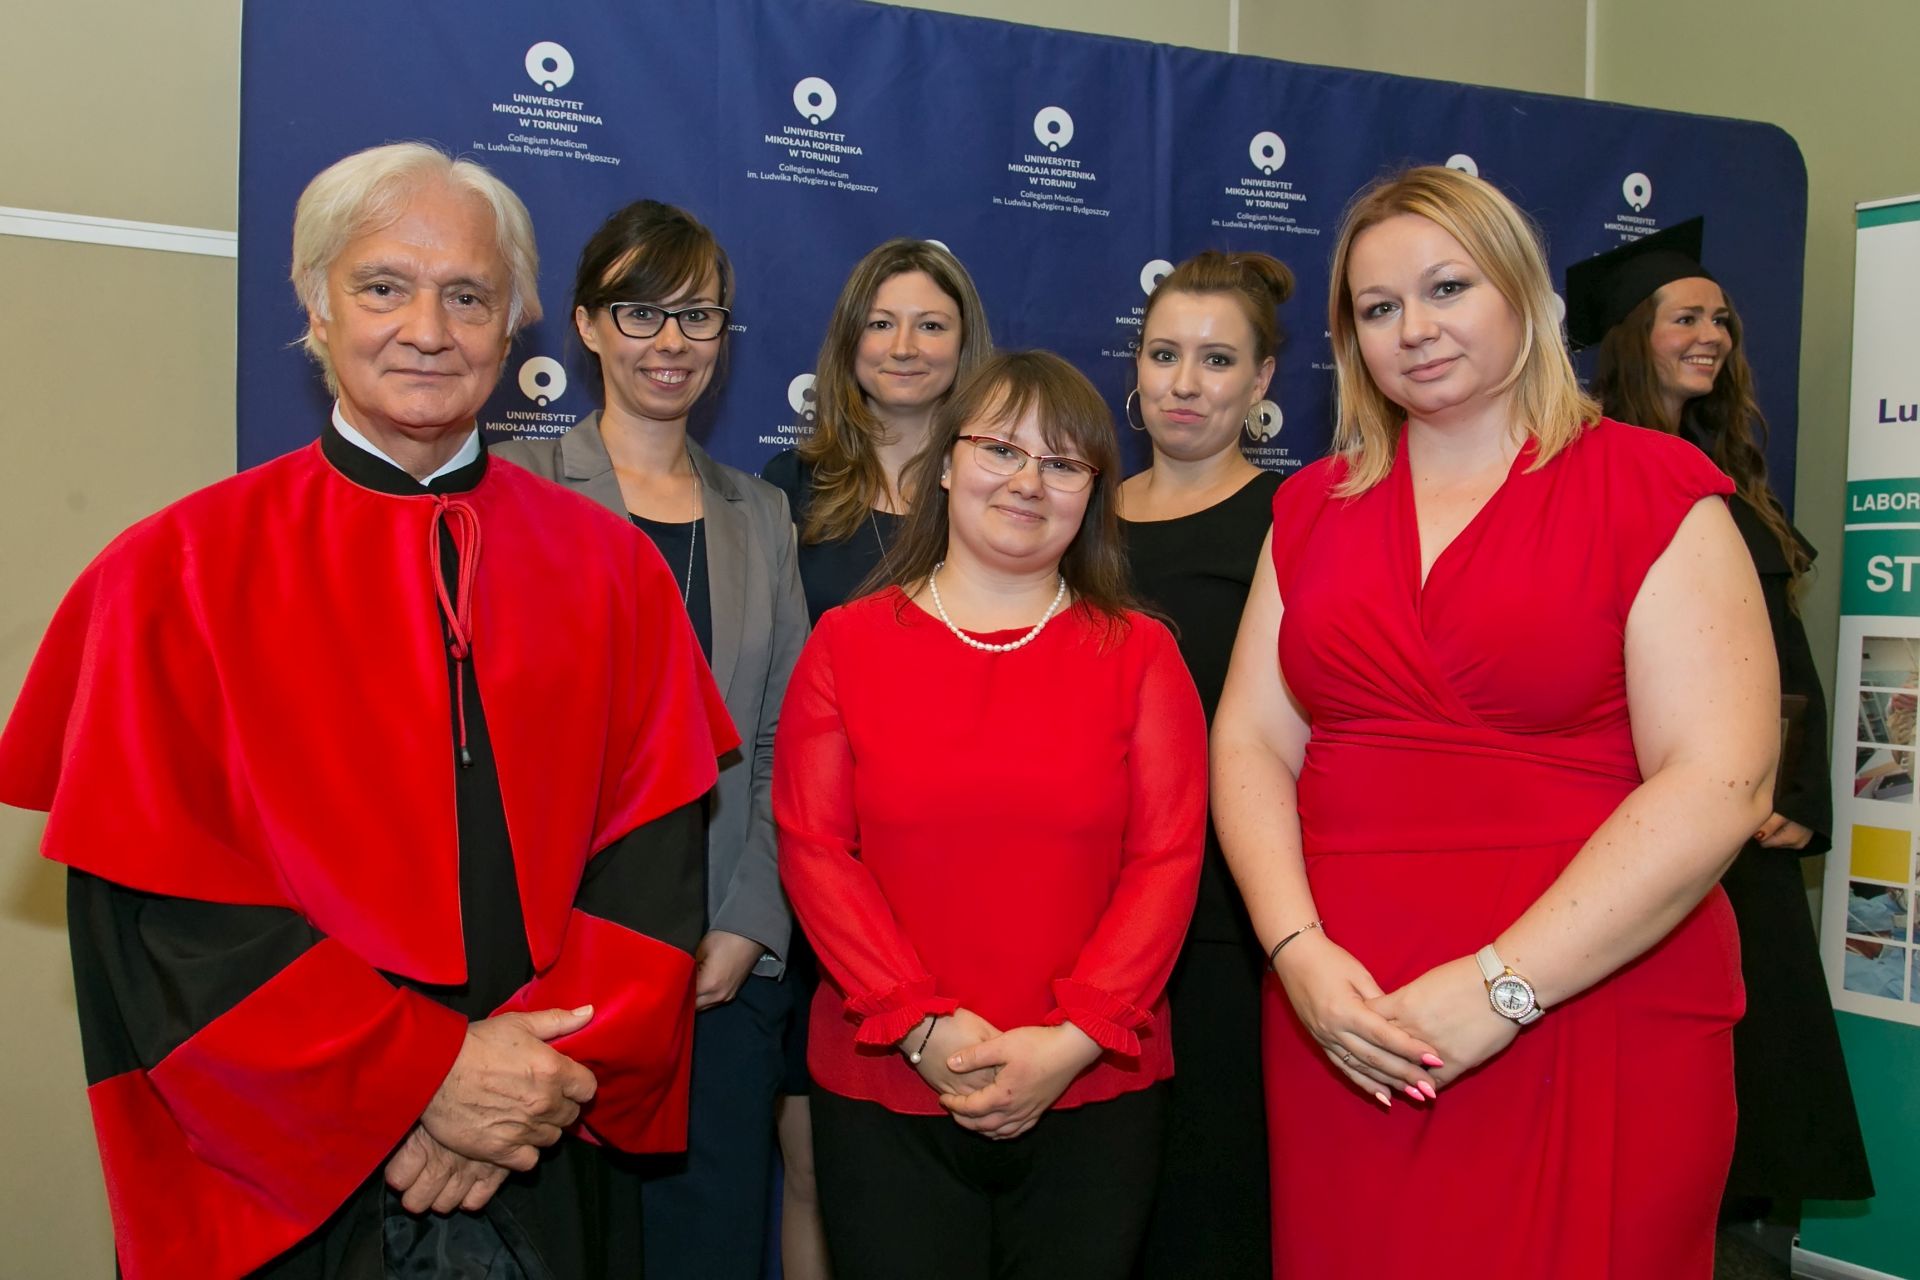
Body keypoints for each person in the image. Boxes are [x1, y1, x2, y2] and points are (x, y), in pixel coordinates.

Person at [0, 143, 735, 1278]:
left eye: (469, 296)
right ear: (316, 303)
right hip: (287, 1168)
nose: (428, 330)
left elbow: (654, 862)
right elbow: (156, 914)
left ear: (518, 323)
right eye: (384, 286)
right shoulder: (174, 575)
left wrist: (519, 1087)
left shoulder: (613, 572)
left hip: (543, 1133)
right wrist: (417, 1081)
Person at [1210, 166, 1780, 1278]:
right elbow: (1251, 742)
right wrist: (1297, 952)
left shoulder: (1652, 486)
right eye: (1379, 307)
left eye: (1447, 288)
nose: (1414, 329)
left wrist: (1503, 986)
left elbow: (1722, 779)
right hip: (1351, 1023)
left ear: (1523, 293)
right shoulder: (1310, 507)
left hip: (1594, 999)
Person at [775, 351, 1205, 1280]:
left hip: (1095, 1084)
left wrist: (1074, 1040)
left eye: (1062, 463)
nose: (1028, 482)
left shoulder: (1142, 654)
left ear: (1093, 492)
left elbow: (1168, 861)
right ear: (944, 462)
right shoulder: (846, 642)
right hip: (885, 1081)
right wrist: (919, 1024)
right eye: (1001, 449)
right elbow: (815, 849)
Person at [493, 199, 809, 1279]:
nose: (671, 342)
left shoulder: (760, 515)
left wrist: (749, 925)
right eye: (640, 312)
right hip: (547, 972)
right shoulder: (516, 488)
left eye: (698, 315)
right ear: (586, 325)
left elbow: (785, 740)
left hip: (719, 974)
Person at [1569, 220, 1875, 1216]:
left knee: (1764, 1078)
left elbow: (1778, 654)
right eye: (1687, 319)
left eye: (1722, 320)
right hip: (1652, 807)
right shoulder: (1588, 465)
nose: (1713, 337)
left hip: (1752, 819)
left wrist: (1794, 789)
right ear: (1632, 334)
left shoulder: (1722, 465)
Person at [760, 237, 992, 1278]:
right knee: (814, 1160)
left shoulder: (997, 483)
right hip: (819, 864)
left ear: (964, 343)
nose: (905, 346)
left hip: (953, 853)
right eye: (882, 323)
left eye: (931, 324)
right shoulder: (790, 487)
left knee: (948, 1143)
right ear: (849, 342)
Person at [1116, 249, 1292, 1280]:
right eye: (1164, 354)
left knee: (1208, 1206)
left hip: (1225, 918)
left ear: (1261, 378)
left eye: (1217, 359)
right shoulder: (1076, 512)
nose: (1184, 383)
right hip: (1082, 905)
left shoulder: (1294, 522)